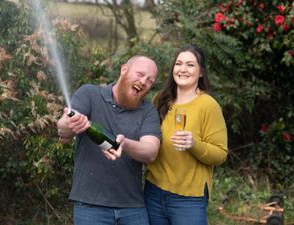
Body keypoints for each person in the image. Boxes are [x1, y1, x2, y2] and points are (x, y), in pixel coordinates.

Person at [57, 55, 161, 225]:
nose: (143, 81)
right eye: (140, 74)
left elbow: (150, 152)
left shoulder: (148, 111)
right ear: (124, 70)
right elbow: (63, 131)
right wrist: (70, 122)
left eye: (150, 80)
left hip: (133, 208)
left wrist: (124, 144)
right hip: (90, 206)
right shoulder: (89, 94)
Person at [144, 45, 228, 225]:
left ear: (201, 73)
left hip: (189, 199)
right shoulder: (160, 99)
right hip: (153, 192)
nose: (183, 69)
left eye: (190, 65)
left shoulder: (208, 106)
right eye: (178, 64)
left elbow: (220, 154)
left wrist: (193, 144)